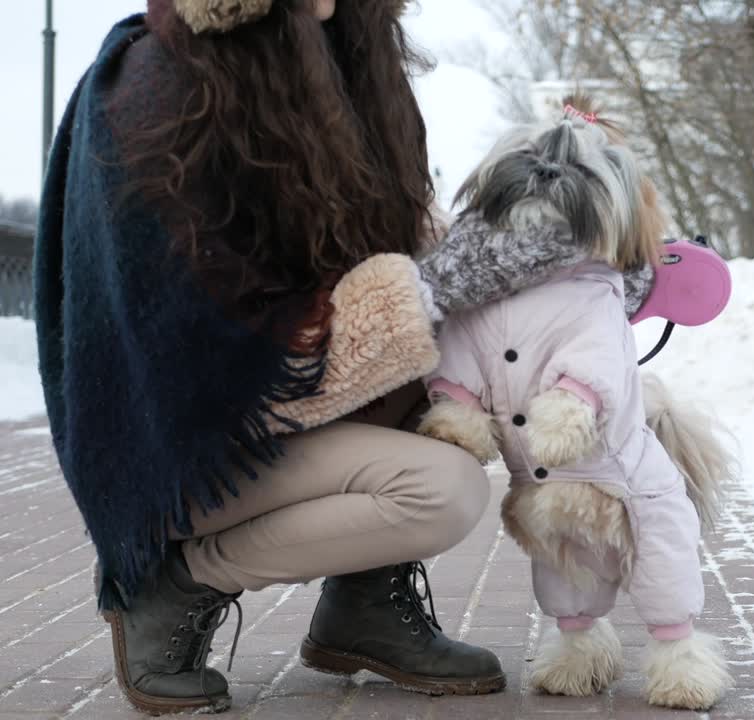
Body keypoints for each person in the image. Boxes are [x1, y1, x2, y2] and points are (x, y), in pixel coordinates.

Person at [33, 0, 654, 714]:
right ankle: (180, 579)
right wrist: (445, 282)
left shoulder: (329, 60)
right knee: (444, 488)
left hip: (268, 427)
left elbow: (391, 253)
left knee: (468, 371)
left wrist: (587, 264)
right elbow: (245, 357)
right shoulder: (164, 88)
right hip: (181, 451)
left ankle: (363, 608)